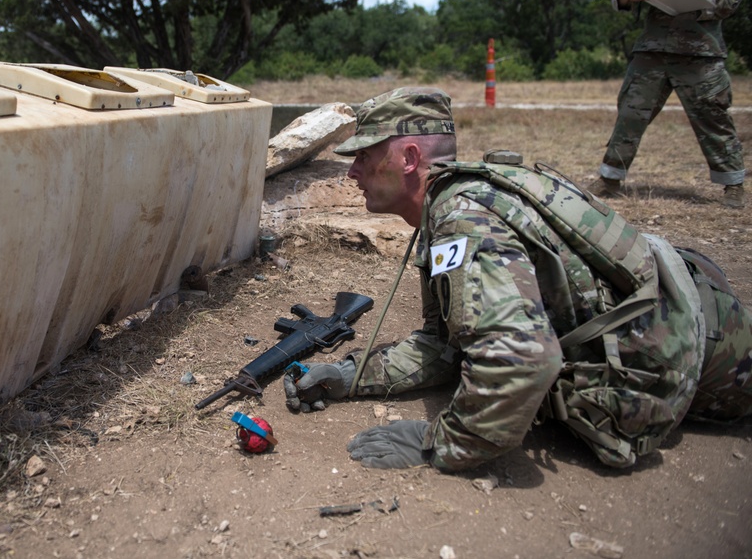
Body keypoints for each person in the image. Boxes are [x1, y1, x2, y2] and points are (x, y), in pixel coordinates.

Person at [284, 86, 752, 472]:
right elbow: (443, 346)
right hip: (692, 312)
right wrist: (350, 375)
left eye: (365, 155)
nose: (352, 170)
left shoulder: (462, 216)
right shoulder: (454, 206)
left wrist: (439, 443)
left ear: (409, 158)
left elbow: (523, 361)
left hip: (710, 352)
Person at [589, 0, 746, 208]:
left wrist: (696, 0)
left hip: (700, 52)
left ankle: (732, 186)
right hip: (653, 52)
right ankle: (610, 178)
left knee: (712, 118)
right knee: (630, 115)